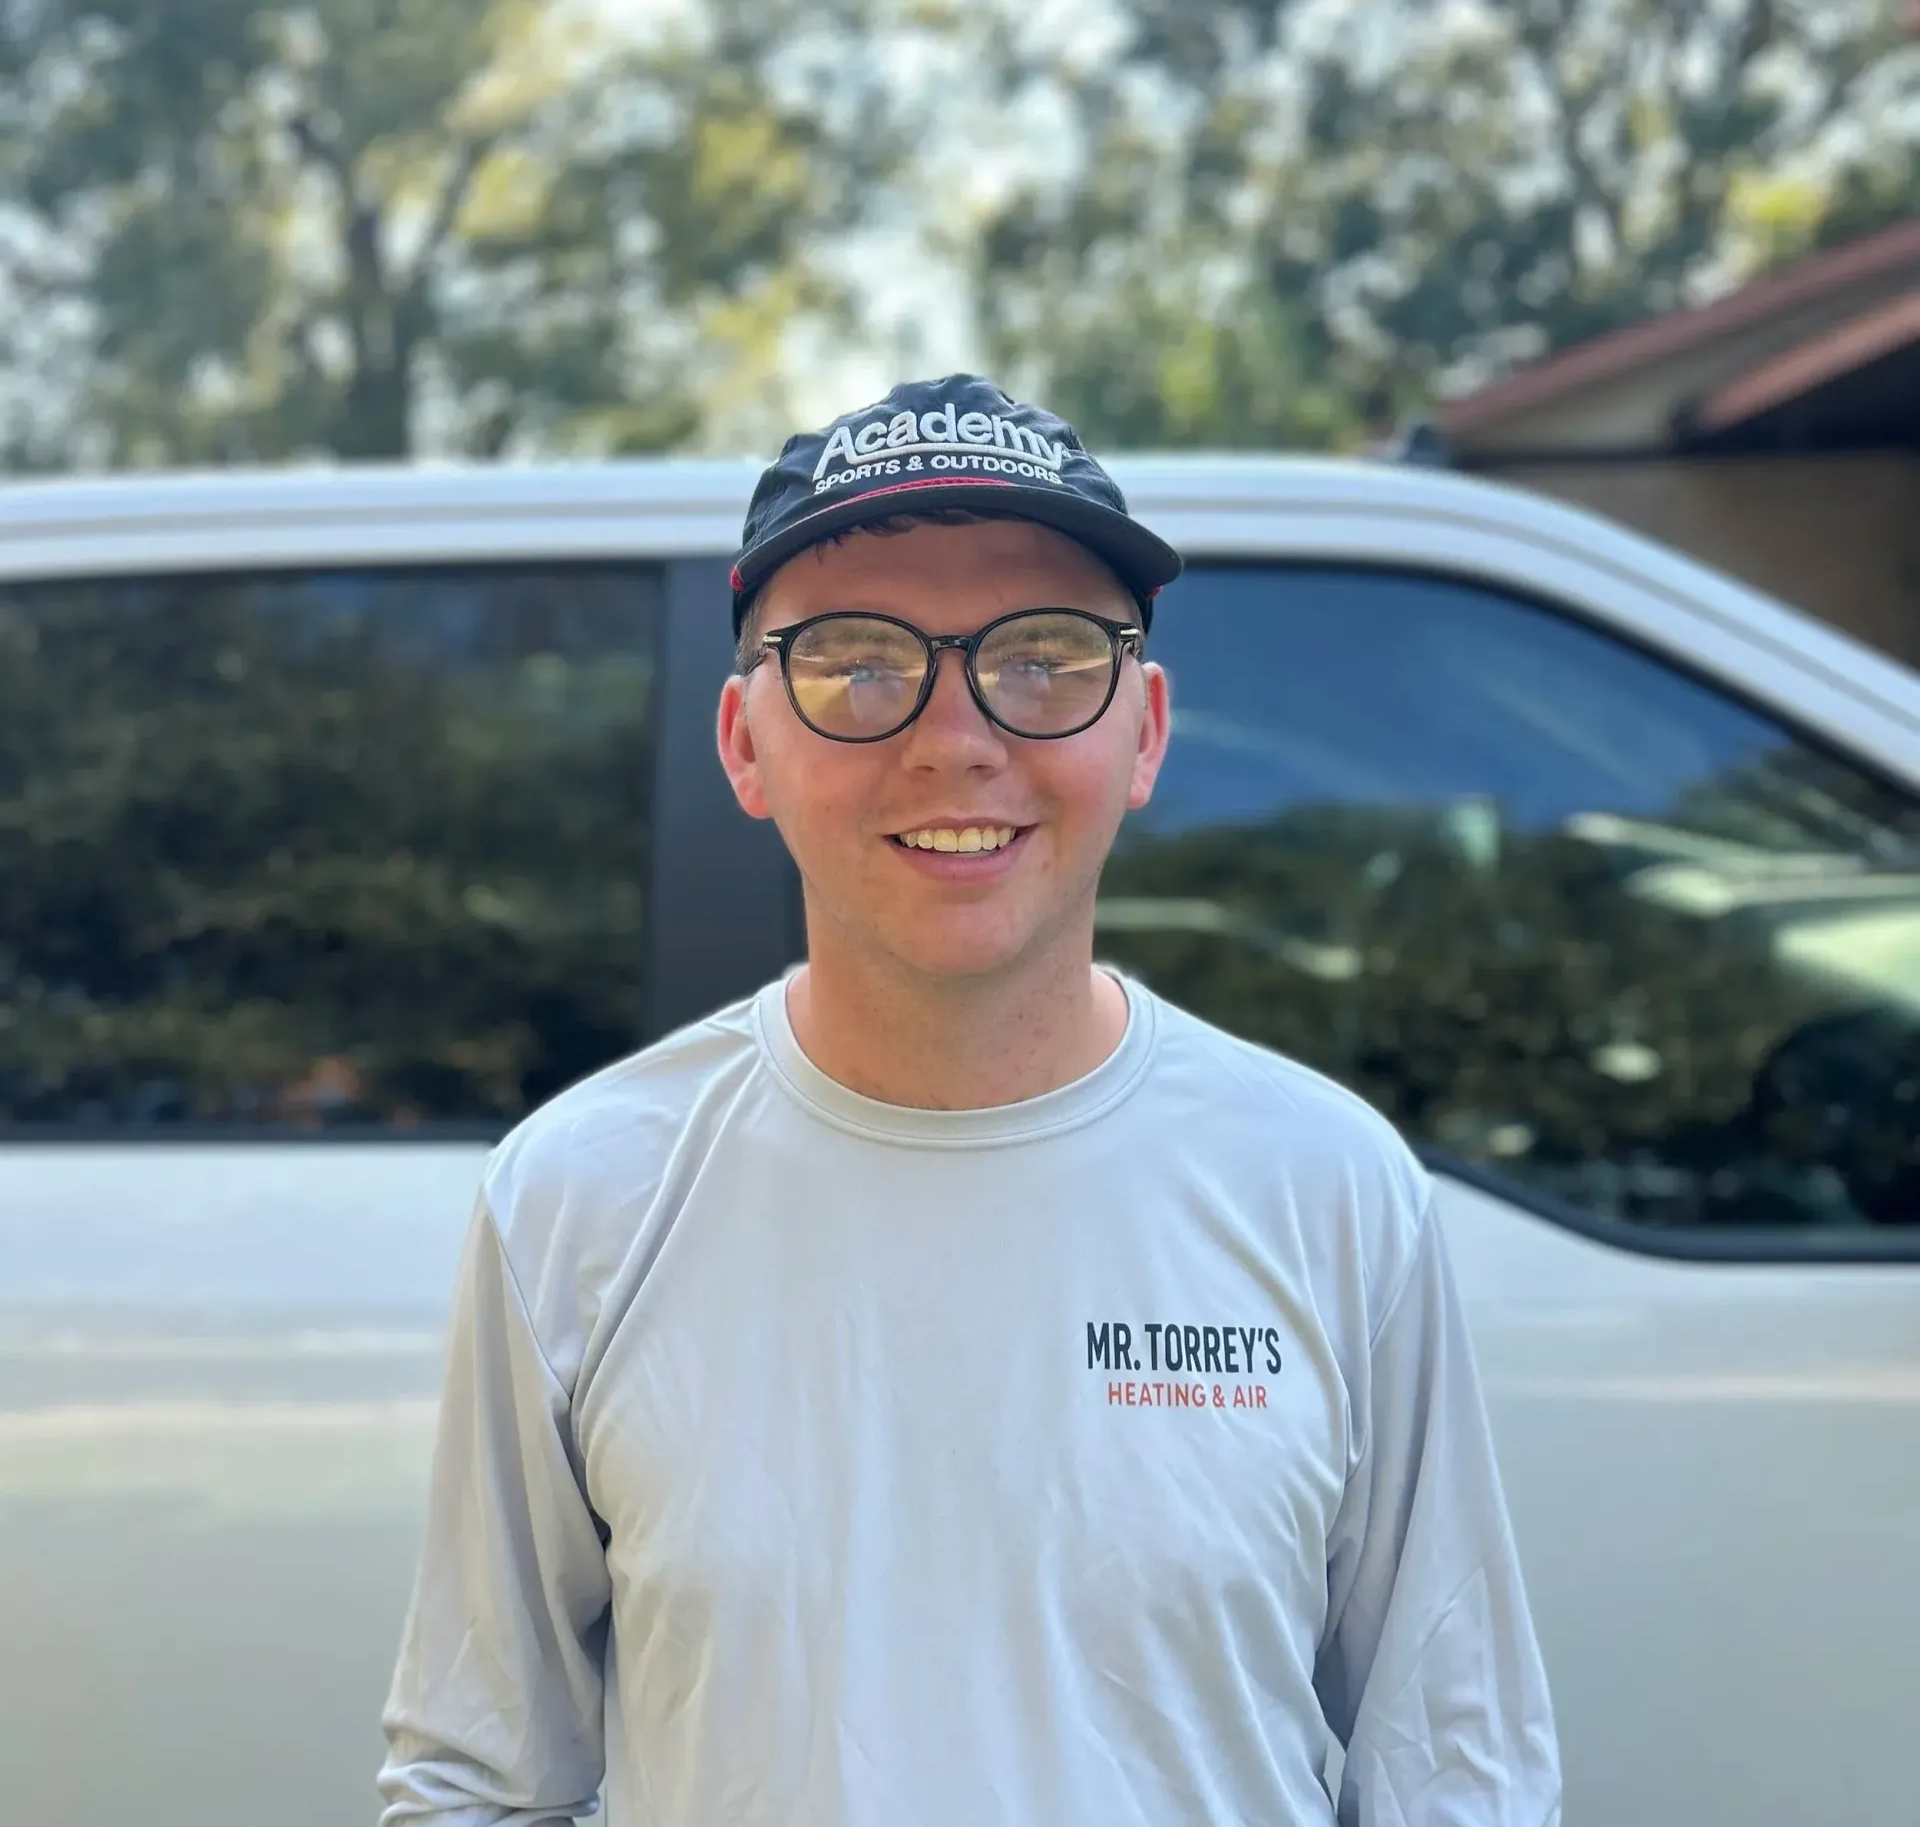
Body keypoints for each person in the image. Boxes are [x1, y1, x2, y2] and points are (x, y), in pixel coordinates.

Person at [377, 374, 1562, 1826]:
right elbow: (472, 1783)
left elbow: (1459, 1779)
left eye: (1049, 656)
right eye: (858, 661)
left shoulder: (1330, 1191)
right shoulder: (578, 1201)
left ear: (1146, 732)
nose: (955, 735)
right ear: (748, 742)